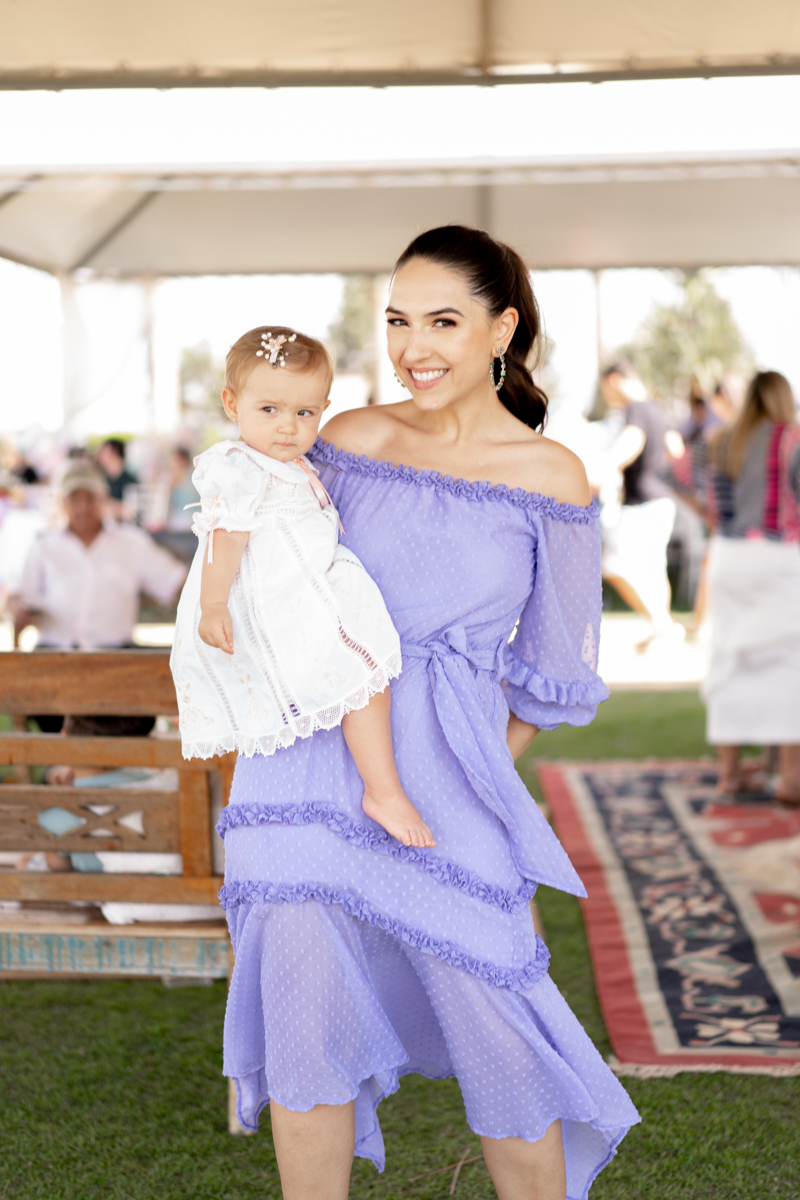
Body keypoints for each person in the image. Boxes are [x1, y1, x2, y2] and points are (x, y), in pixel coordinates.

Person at [218, 226, 639, 1200]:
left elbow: (551, 672)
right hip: (302, 772)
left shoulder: (553, 478)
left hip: (447, 788)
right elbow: (261, 563)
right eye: (398, 321)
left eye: (443, 322)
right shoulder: (346, 441)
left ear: (502, 328)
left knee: (507, 1036)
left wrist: (472, 770)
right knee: (307, 1035)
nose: (414, 347)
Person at [170, 326, 433, 849]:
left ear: (324, 410)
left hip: (304, 592)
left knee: (365, 675)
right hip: (277, 602)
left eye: (304, 413)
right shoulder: (240, 468)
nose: (287, 426)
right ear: (232, 403)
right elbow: (226, 537)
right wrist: (213, 603)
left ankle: (378, 788)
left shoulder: (294, 465)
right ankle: (382, 791)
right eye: (269, 409)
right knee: (363, 668)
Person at [13, 461, 187, 750]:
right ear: (63, 503)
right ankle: (70, 766)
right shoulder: (44, 547)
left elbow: (177, 581)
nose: (83, 507)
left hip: (114, 658)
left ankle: (86, 770)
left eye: (90, 498)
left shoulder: (130, 542)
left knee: (135, 703)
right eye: (74, 499)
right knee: (42, 692)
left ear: (103, 500)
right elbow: (24, 599)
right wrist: (21, 613)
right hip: (56, 657)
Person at [703, 370, 800, 802]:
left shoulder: (720, 440)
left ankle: (730, 773)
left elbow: (676, 474)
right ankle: (792, 778)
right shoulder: (792, 439)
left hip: (728, 555)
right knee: (790, 662)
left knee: (729, 656)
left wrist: (712, 515)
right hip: (779, 555)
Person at [599, 362, 685, 646]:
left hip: (643, 502)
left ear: (614, 380)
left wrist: (607, 463)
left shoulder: (635, 409)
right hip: (664, 501)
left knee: (613, 565)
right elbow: (676, 449)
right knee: (655, 572)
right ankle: (661, 631)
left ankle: (662, 625)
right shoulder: (657, 409)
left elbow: (632, 441)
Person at [97, 437, 138, 519]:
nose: (99, 456)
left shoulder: (131, 482)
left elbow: (131, 511)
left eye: (103, 452)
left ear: (114, 452)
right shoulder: (100, 479)